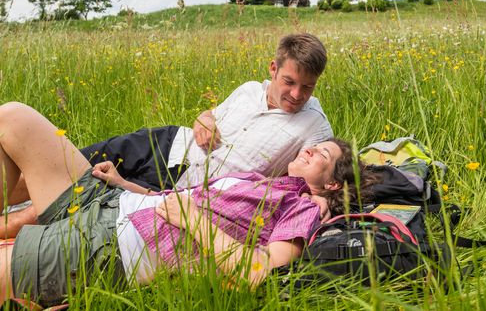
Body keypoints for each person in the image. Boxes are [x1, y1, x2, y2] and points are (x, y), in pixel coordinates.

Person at [0, 102, 371, 307]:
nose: (308, 148)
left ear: (333, 182)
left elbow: (259, 272)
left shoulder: (302, 210)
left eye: (320, 151)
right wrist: (122, 182)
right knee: (14, 117)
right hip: (111, 200)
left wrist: (194, 220)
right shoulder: (266, 181)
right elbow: (176, 199)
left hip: (108, 248)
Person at [1, 33, 333, 237]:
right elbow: (209, 116)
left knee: (74, 190)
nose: (297, 93)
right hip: (168, 144)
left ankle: (14, 225)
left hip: (179, 187)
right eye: (290, 81)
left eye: (307, 86)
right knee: (64, 161)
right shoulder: (249, 90)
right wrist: (203, 118)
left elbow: (328, 167)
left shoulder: (313, 123)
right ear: (273, 69)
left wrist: (321, 200)